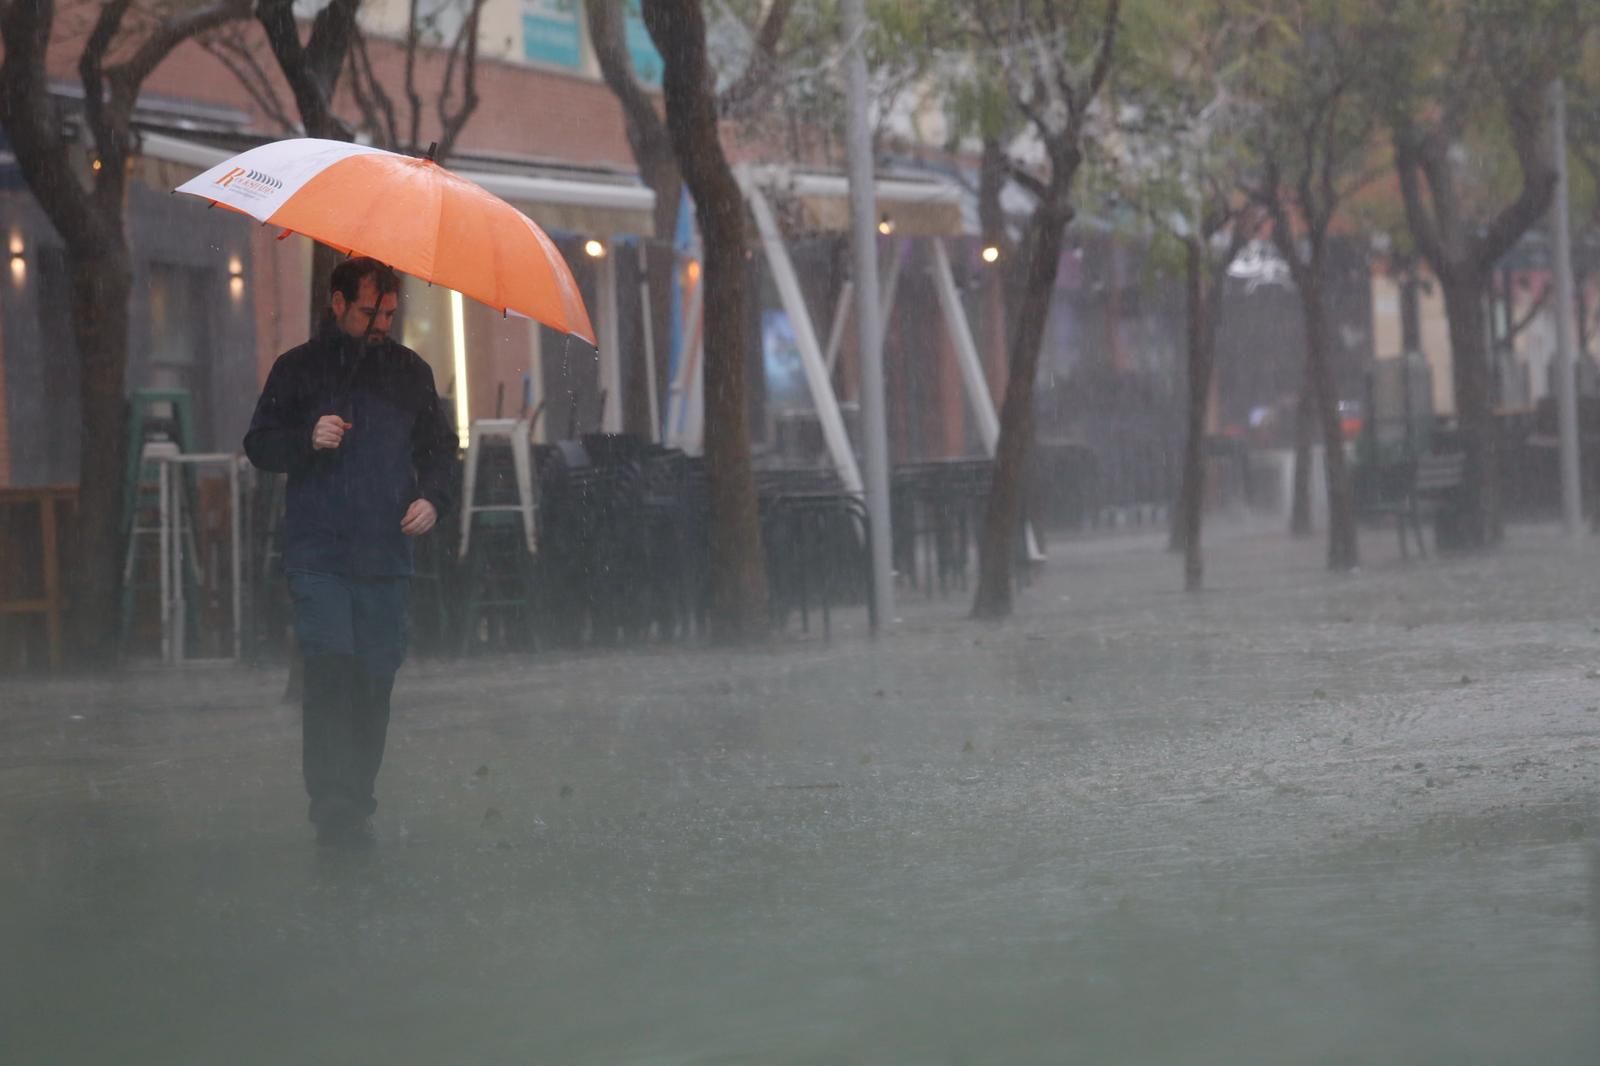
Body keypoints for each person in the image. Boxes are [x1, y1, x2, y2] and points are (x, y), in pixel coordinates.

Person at [244, 257, 456, 845]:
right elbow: (260, 443)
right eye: (369, 312)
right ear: (337, 303)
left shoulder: (411, 374)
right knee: (331, 670)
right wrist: (307, 440)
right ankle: (332, 804)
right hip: (319, 552)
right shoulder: (299, 370)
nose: (380, 323)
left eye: (389, 312)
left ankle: (357, 796)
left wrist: (434, 500)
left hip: (385, 555)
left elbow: (441, 449)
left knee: (374, 678)